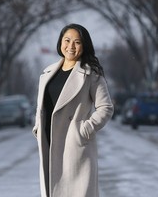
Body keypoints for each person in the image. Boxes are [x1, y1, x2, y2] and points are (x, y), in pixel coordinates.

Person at [32, 23, 114, 197]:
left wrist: (84, 130)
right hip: (49, 141)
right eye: (67, 40)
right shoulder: (47, 73)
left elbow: (105, 108)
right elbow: (42, 106)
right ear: (60, 42)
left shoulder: (91, 74)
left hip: (74, 146)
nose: (71, 46)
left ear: (84, 46)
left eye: (77, 42)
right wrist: (38, 127)